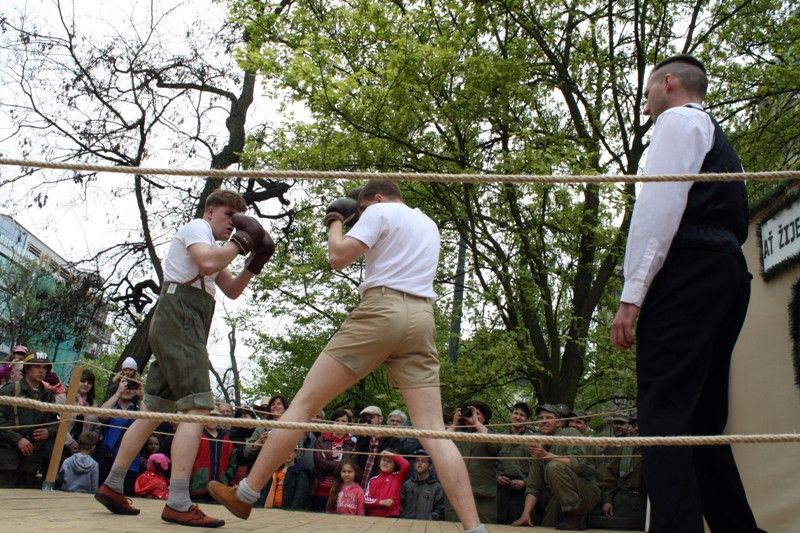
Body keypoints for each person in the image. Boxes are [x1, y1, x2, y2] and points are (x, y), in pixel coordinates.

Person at [208, 180, 488, 533]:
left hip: (381, 310)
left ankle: (246, 494)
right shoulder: (428, 223)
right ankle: (475, 528)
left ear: (377, 198)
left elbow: (337, 257)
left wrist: (336, 221)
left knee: (304, 405)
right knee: (434, 430)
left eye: (364, 210)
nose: (362, 217)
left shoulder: (380, 210)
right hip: (422, 317)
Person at [610, 55, 764, 533]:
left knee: (664, 412)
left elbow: (659, 207)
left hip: (689, 270)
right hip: (728, 274)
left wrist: (631, 297)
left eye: (650, 91)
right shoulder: (719, 140)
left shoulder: (677, 121)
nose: (647, 104)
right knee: (700, 416)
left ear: (669, 83)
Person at [94, 189, 274, 528]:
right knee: (198, 409)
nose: (232, 226)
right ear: (210, 211)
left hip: (184, 319)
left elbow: (232, 290)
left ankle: (113, 483)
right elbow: (207, 261)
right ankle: (178, 501)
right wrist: (241, 241)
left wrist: (255, 260)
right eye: (228, 218)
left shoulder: (214, 247)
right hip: (179, 316)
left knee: (154, 410)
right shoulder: (197, 228)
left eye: (238, 221)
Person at [512, 404, 600, 530]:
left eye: (548, 417)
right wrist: (525, 514)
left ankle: (576, 517)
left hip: (586, 492)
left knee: (553, 466)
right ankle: (570, 516)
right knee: (548, 526)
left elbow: (580, 463)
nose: (544, 421)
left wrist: (546, 455)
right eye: (541, 418)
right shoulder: (539, 444)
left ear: (559, 423)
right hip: (558, 498)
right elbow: (533, 486)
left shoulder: (570, 433)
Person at [0, 352, 58, 488]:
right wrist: (17, 439)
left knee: (25, 500)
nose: (41, 371)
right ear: (27, 368)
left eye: (45, 368)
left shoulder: (48, 396)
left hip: (32, 456)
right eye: (37, 366)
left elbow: (56, 422)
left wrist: (48, 431)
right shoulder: (10, 390)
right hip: (8, 454)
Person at [445, 401, 500, 524]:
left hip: (483, 495)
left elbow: (496, 447)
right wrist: (454, 423)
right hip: (456, 494)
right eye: (469, 413)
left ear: (485, 418)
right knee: (452, 528)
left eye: (477, 413)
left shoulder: (490, 434)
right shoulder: (455, 434)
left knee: (486, 528)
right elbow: (440, 445)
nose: (472, 415)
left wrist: (476, 423)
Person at [310, 409, 357, 511]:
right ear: (332, 422)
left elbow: (351, 465)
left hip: (342, 490)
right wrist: (341, 465)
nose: (340, 423)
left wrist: (328, 461)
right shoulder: (321, 440)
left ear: (348, 424)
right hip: (320, 489)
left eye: (343, 421)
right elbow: (319, 463)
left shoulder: (353, 443)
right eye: (337, 420)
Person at [496, 402, 535, 525]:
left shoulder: (534, 440)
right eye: (515, 413)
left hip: (522, 493)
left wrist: (525, 482)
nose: (518, 417)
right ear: (511, 415)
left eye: (522, 415)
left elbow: (538, 469)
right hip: (500, 490)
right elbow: (491, 462)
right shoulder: (498, 438)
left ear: (527, 420)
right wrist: (497, 477)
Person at [64, 369, 102, 456]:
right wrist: (71, 443)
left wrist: (87, 445)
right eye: (82, 381)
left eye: (89, 382)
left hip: (83, 452)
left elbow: (97, 429)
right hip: (61, 445)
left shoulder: (94, 405)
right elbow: (56, 422)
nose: (86, 384)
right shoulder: (64, 397)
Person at [364, 450, 410, 518]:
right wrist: (380, 502)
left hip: (391, 516)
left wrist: (390, 454)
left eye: (389, 461)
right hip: (373, 516)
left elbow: (406, 465)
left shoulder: (397, 477)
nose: (385, 463)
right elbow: (365, 500)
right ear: (379, 462)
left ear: (394, 465)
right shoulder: (372, 480)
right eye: (384, 460)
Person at [400, 449, 444, 521]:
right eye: (417, 461)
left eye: (423, 461)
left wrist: (430, 519)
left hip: (426, 527)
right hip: (406, 525)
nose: (419, 463)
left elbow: (439, 510)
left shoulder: (436, 487)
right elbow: (400, 505)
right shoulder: (407, 484)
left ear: (430, 466)